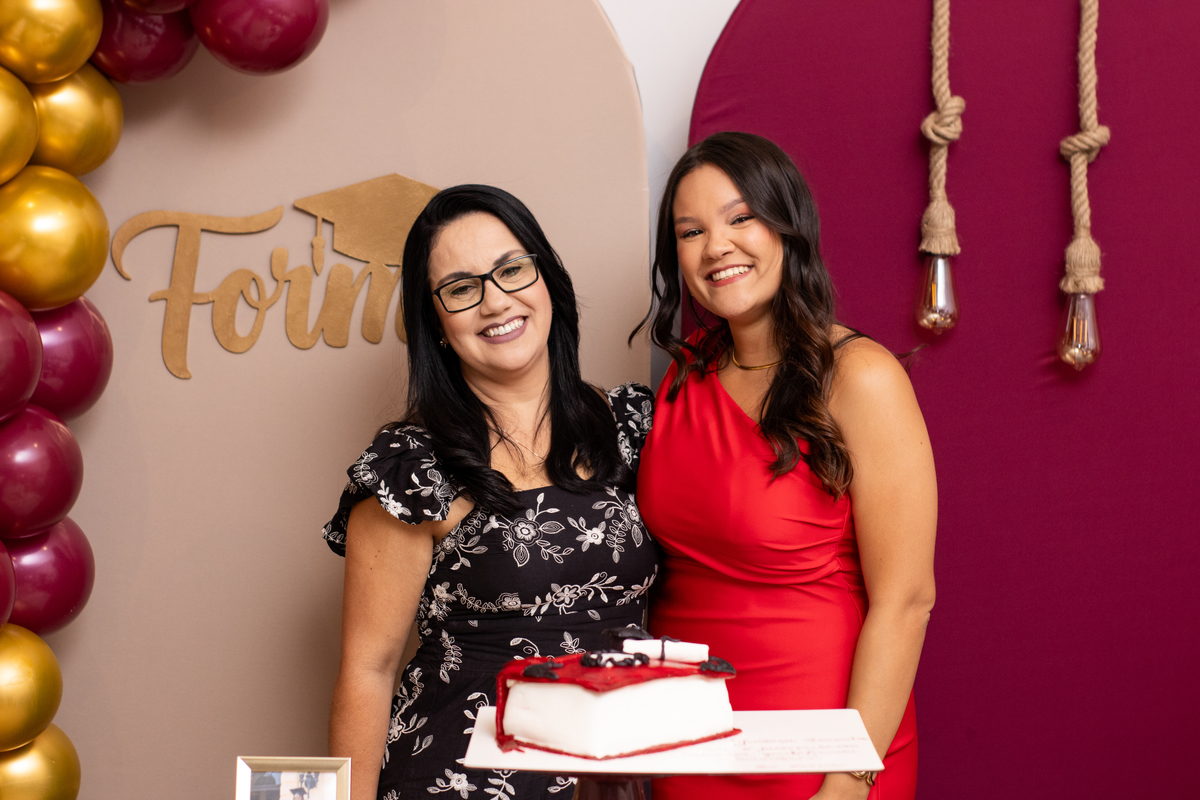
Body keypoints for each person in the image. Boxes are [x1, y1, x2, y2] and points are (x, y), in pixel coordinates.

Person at [325, 185, 659, 800]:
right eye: (461, 289)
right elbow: (368, 670)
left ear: (547, 279)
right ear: (436, 325)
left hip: (616, 775)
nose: (495, 301)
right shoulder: (412, 466)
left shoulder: (633, 428)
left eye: (511, 269)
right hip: (458, 780)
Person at [634, 132, 937, 800]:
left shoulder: (860, 378)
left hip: (822, 750)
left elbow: (907, 600)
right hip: (689, 747)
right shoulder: (685, 374)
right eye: (691, 231)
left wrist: (849, 777)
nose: (717, 246)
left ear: (787, 224)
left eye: (740, 218)